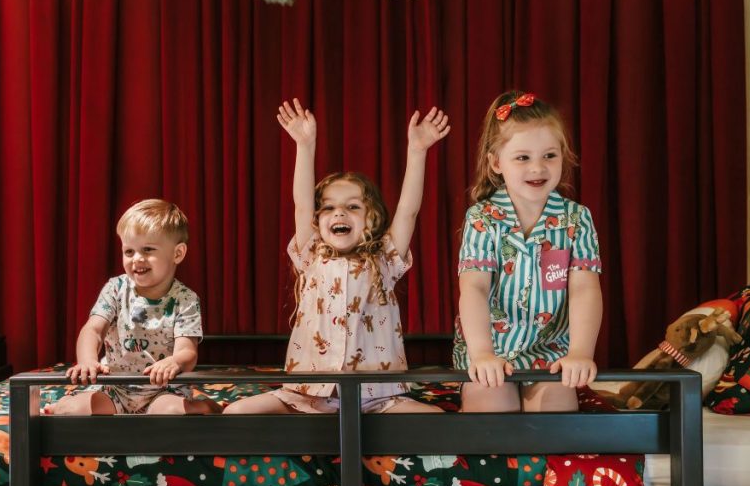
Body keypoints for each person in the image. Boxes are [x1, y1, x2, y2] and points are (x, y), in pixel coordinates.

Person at [224, 99, 449, 414]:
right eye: (328, 207)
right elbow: (302, 203)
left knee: (438, 421)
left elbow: (409, 210)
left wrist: (418, 151)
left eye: (353, 206)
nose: (339, 212)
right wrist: (305, 144)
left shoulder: (384, 257)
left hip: (376, 398)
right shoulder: (312, 255)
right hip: (308, 394)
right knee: (236, 414)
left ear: (372, 219)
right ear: (318, 220)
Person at [454, 90, 602, 413]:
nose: (538, 167)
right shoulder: (482, 219)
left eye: (549, 156)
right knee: (492, 410)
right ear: (496, 162)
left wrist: (580, 352)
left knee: (556, 418)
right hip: (492, 351)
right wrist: (481, 354)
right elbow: (474, 289)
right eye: (523, 158)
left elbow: (585, 290)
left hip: (551, 354)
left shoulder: (576, 219)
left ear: (563, 156)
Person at [46, 198, 217, 415]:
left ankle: (204, 407)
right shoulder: (115, 289)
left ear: (177, 253)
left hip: (164, 390)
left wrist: (175, 361)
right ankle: (63, 405)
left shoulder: (185, 299)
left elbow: (187, 351)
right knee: (75, 410)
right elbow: (93, 330)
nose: (137, 259)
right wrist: (87, 360)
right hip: (115, 388)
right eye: (129, 251)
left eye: (147, 250)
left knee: (171, 412)